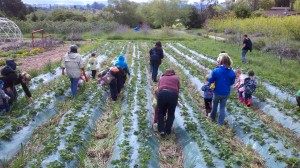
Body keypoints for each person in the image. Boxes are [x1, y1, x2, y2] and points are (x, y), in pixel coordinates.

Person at [209, 55, 236, 125]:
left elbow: (211, 80)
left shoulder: (216, 71)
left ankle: (212, 118)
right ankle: (220, 123)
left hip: (217, 92)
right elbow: (232, 82)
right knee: (222, 107)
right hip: (226, 92)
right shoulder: (232, 72)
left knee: (215, 105)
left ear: (221, 62)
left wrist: (213, 82)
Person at [156, 69, 180, 137]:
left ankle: (161, 130)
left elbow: (158, 88)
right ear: (173, 73)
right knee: (171, 113)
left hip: (162, 94)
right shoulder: (176, 78)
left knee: (160, 112)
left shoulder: (162, 78)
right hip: (173, 95)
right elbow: (177, 89)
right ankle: (167, 131)